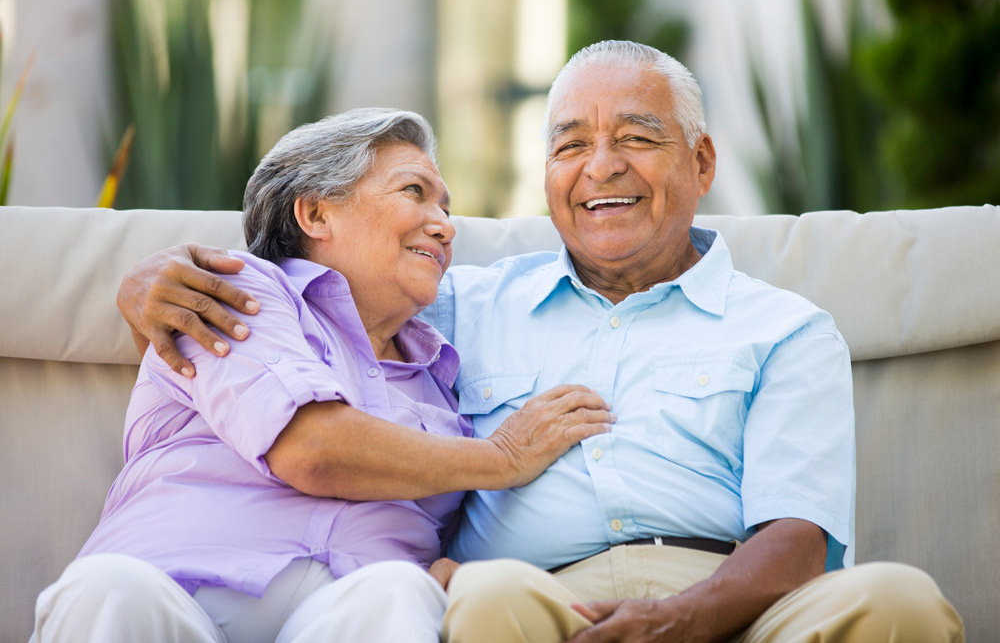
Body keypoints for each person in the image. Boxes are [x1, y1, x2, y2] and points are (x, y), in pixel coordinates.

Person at [115, 42, 964, 643]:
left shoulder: (786, 328)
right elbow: (331, 302)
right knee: (483, 602)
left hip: (734, 599)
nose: (601, 167)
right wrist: (144, 281)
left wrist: (687, 618)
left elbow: (799, 539)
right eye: (571, 146)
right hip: (537, 603)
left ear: (701, 163)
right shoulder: (456, 306)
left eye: (635, 136)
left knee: (901, 600)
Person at [32, 108, 614, 643]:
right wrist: (502, 460)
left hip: (353, 605)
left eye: (446, 207)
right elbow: (311, 448)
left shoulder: (446, 366)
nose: (444, 225)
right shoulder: (237, 291)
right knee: (110, 589)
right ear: (314, 213)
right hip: (180, 587)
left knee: (399, 592)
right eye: (416, 192)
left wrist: (455, 567)